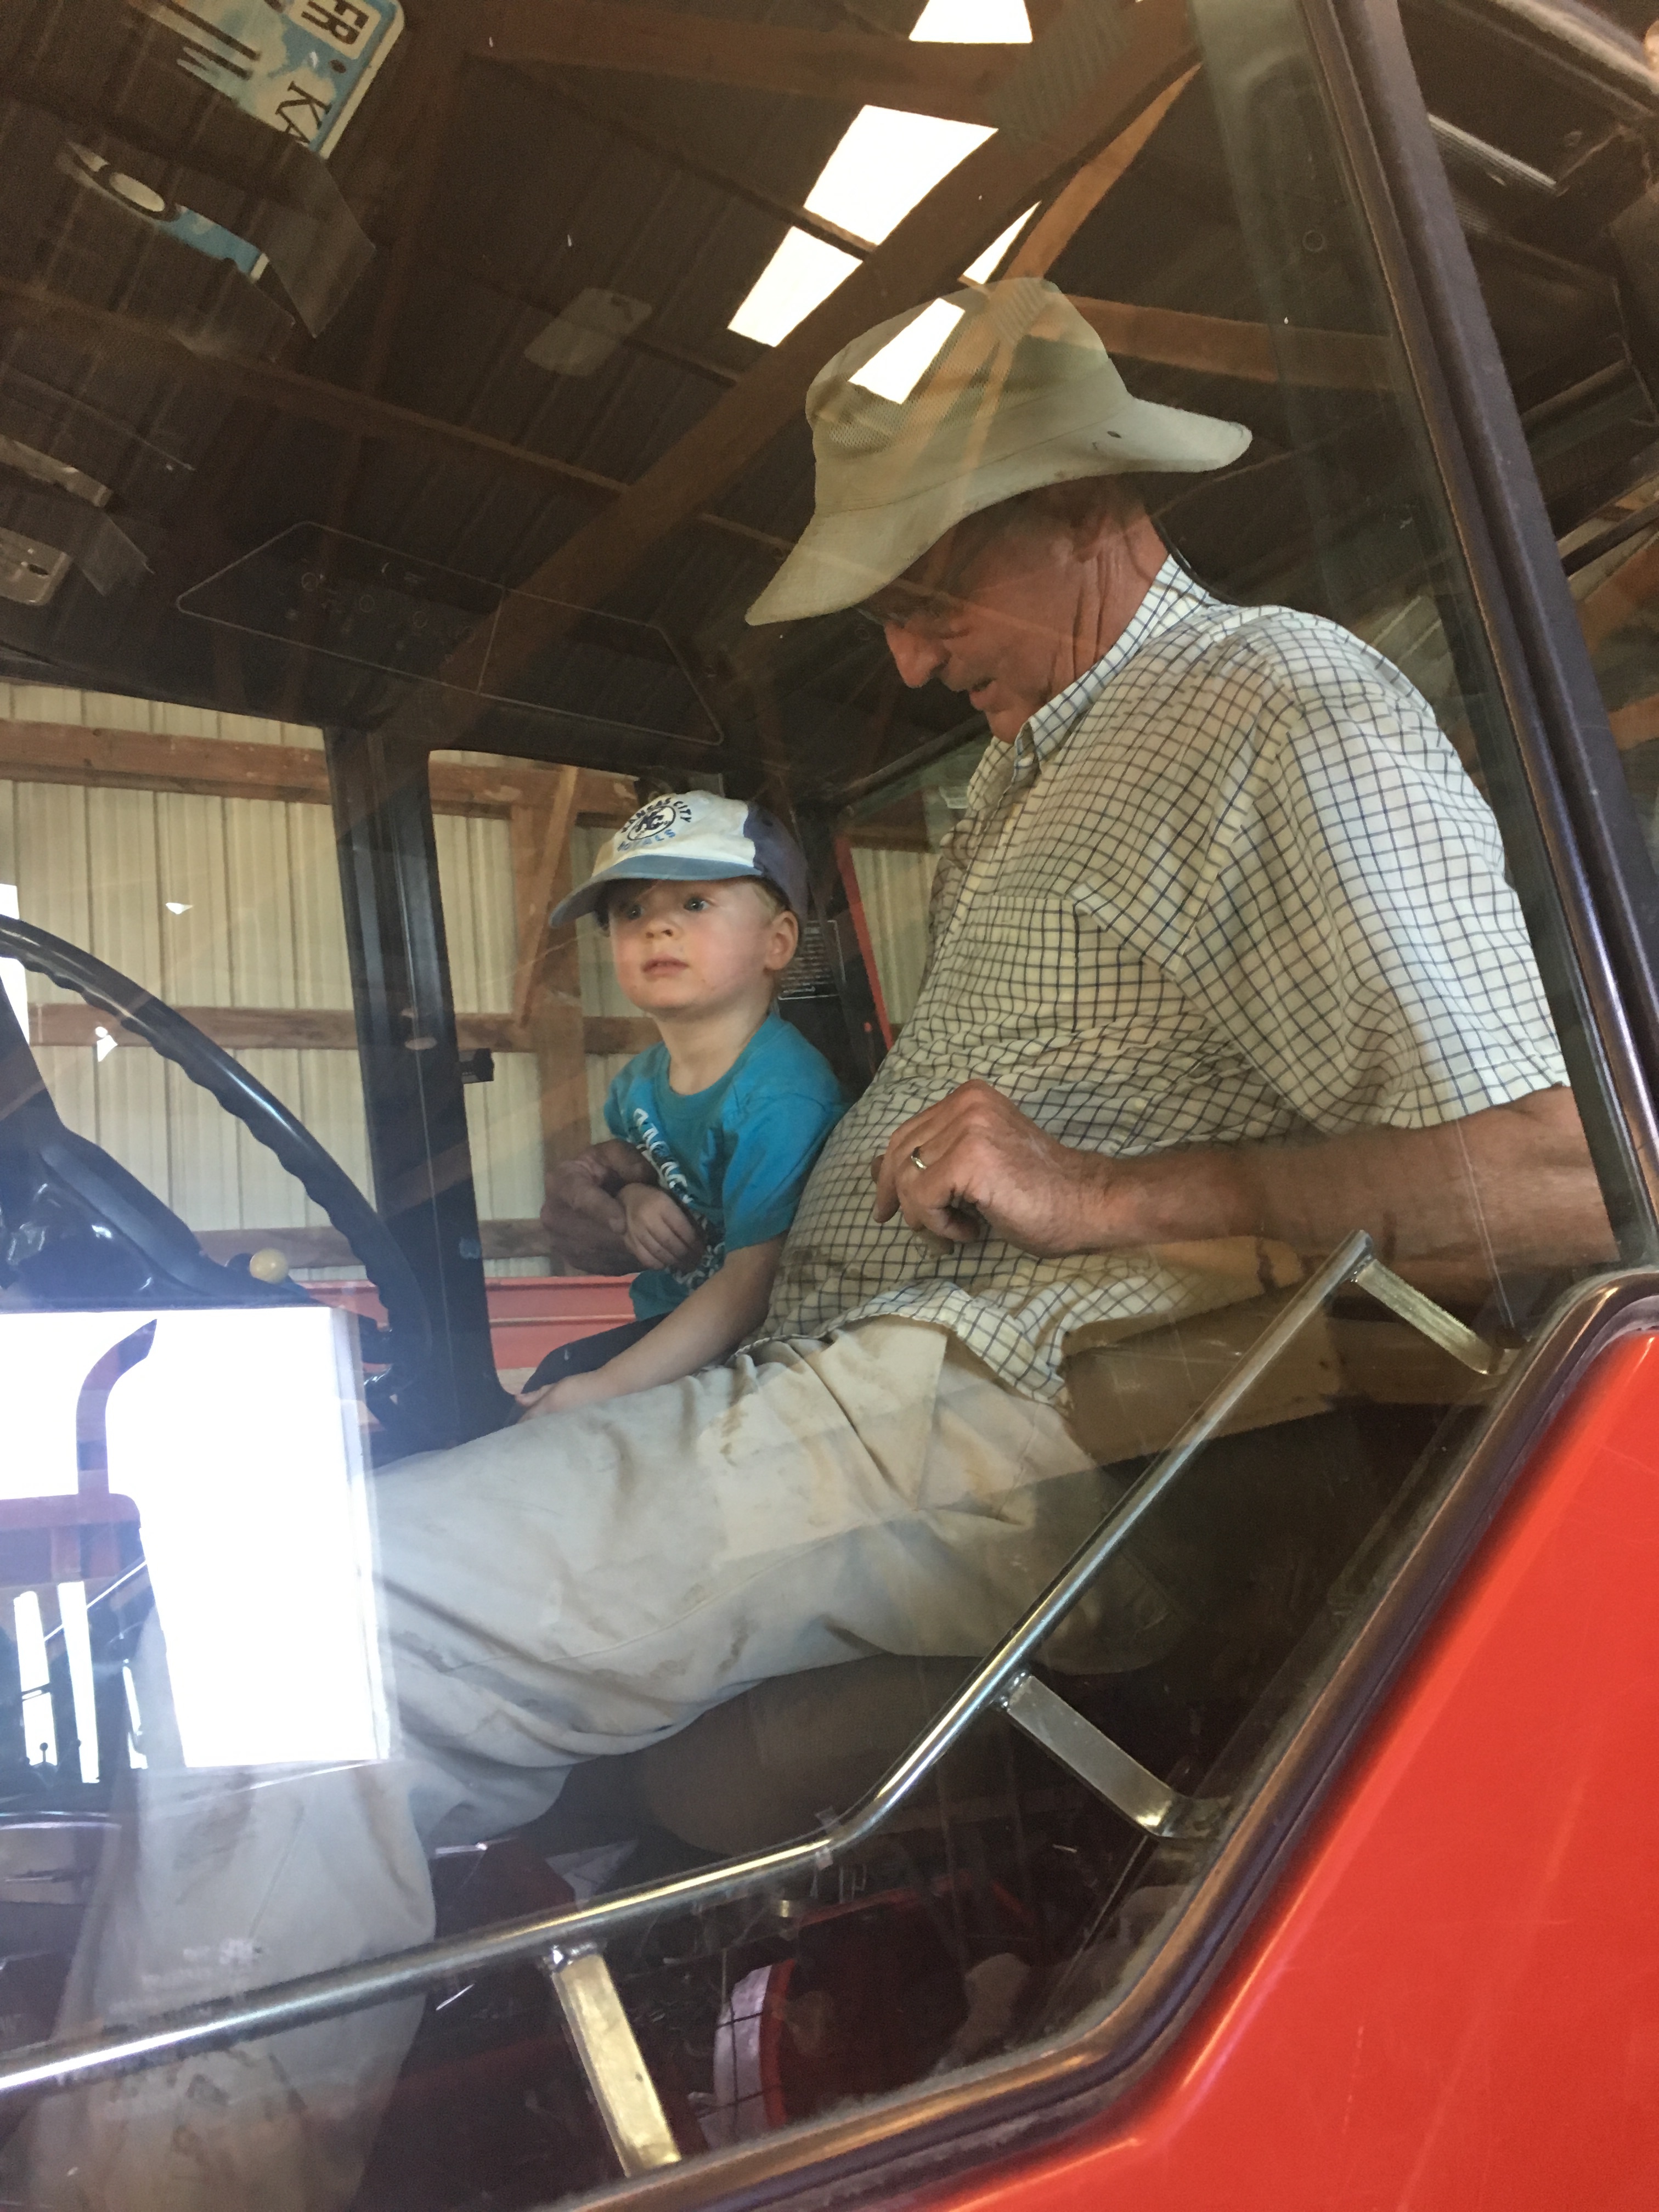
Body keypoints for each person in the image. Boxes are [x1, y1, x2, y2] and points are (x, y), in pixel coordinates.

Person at [30, 278, 1612, 2211]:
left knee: (296, 1617)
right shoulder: (1039, 767)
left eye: (934, 587)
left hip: (1039, 1416)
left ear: (1094, 505)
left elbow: (1567, 1181)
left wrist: (1104, 1199)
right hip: (886, 1391)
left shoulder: (1276, 704)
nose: (911, 650)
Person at [515, 793, 844, 1413]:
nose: (656, 927)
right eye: (631, 910)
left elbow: (753, 1283)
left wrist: (604, 1389)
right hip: (669, 1336)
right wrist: (633, 1200)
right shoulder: (636, 1084)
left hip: (761, 1357)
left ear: (777, 943)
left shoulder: (782, 1095)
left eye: (695, 904)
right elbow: (645, 1172)